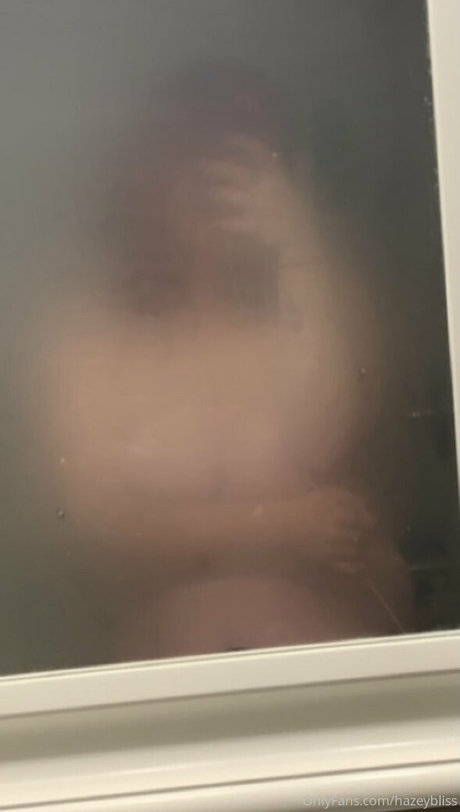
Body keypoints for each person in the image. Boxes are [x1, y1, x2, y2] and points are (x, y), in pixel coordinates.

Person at [37, 65, 413, 659]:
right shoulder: (94, 332)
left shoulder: (312, 297)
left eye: (241, 162)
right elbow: (94, 523)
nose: (215, 186)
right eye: (190, 161)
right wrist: (280, 524)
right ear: (144, 179)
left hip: (339, 675)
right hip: (162, 679)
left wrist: (300, 246)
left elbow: (336, 427)